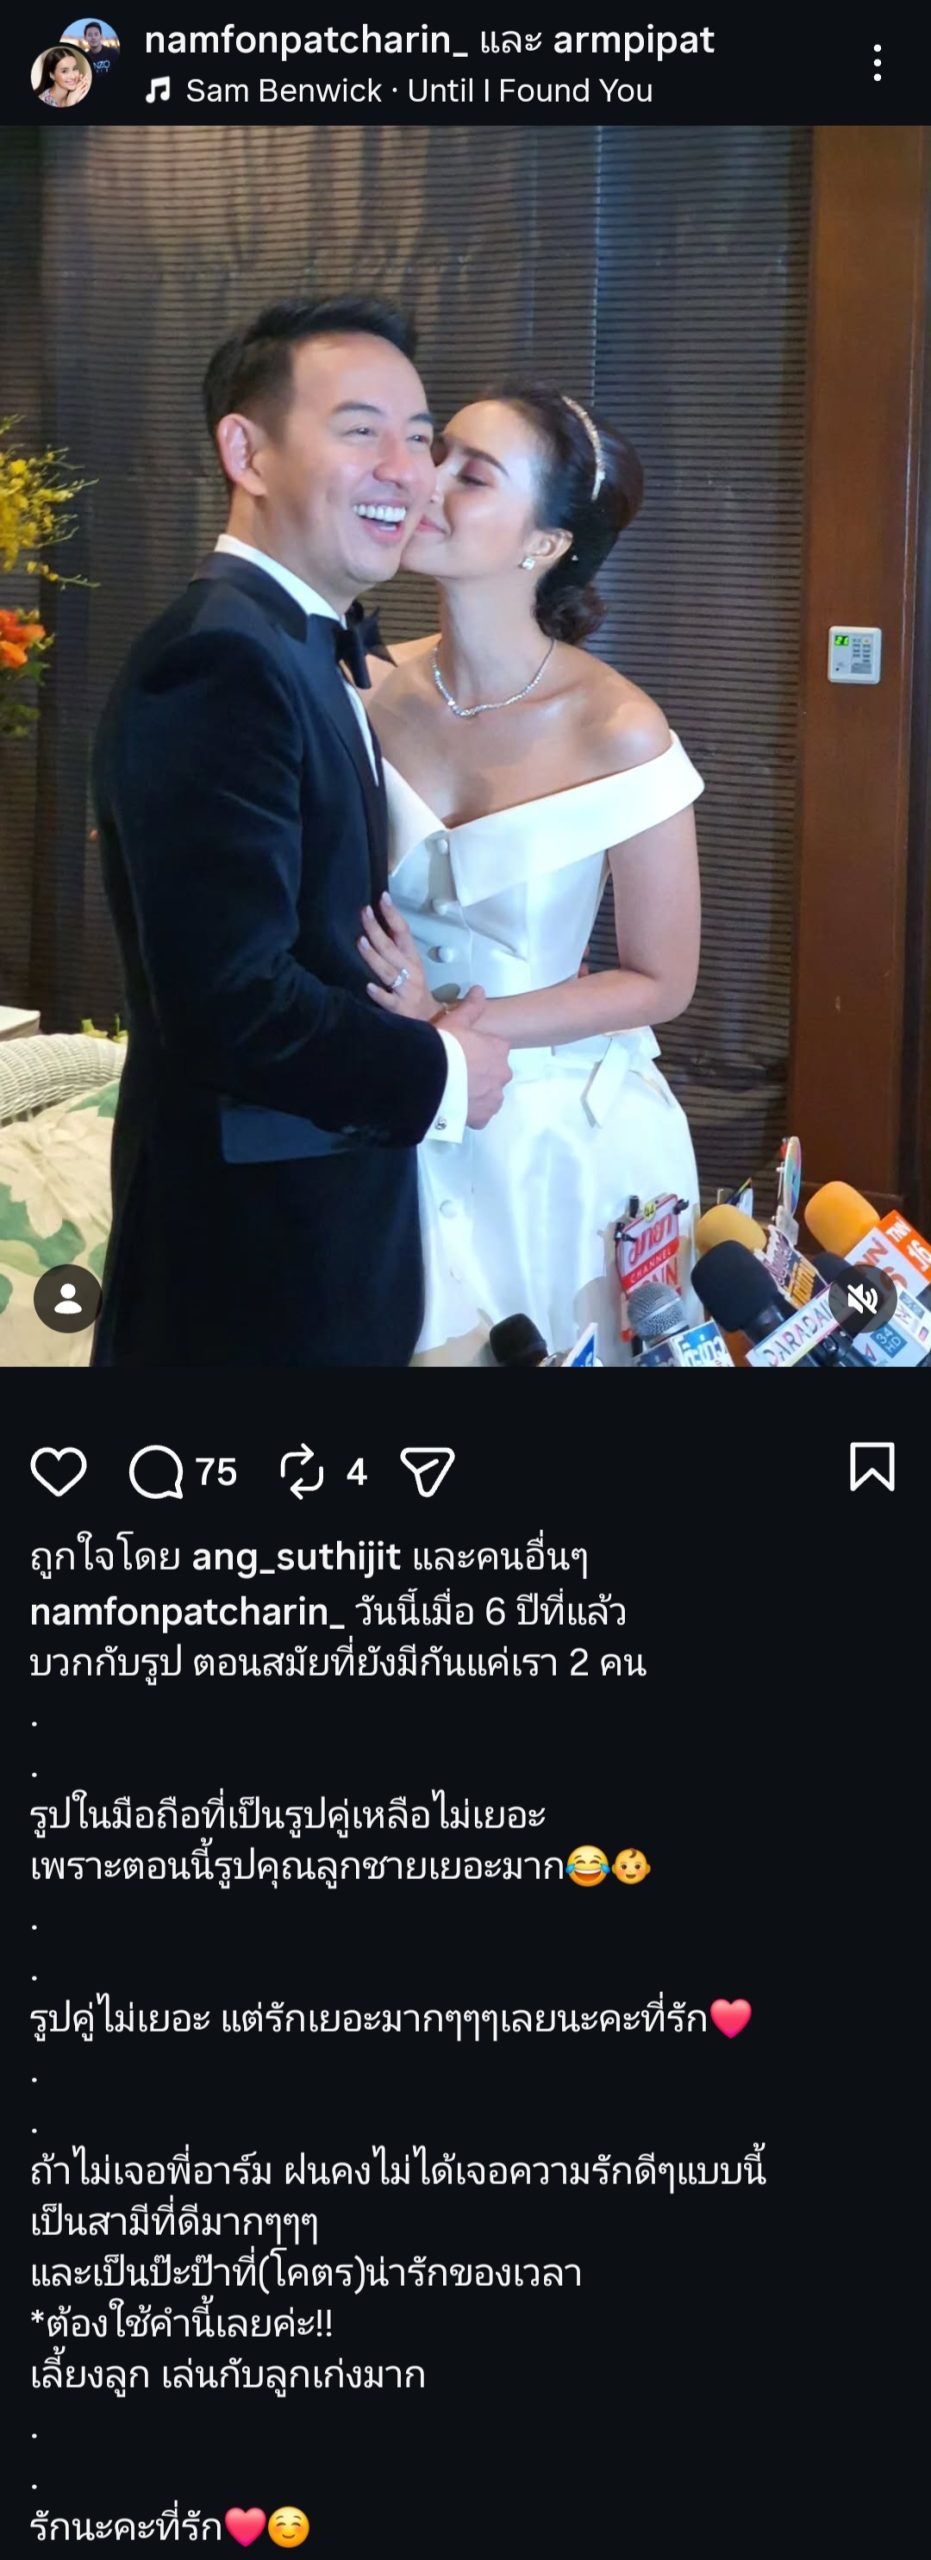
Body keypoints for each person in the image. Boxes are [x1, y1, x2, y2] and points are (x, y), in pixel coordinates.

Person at [91, 298, 510, 1367]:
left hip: (318, 1233)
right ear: (248, 452)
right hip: (247, 1266)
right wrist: (439, 1072)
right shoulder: (216, 658)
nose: (406, 471)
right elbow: (230, 1002)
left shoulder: (293, 645)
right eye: (361, 430)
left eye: (420, 439)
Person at [359, 384, 704, 1365]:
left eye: (471, 475)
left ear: (544, 543)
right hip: (389, 1094)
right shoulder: (360, 684)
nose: (424, 481)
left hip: (555, 1136)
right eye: (435, 452)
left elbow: (660, 980)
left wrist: (453, 1025)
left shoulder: (618, 726)